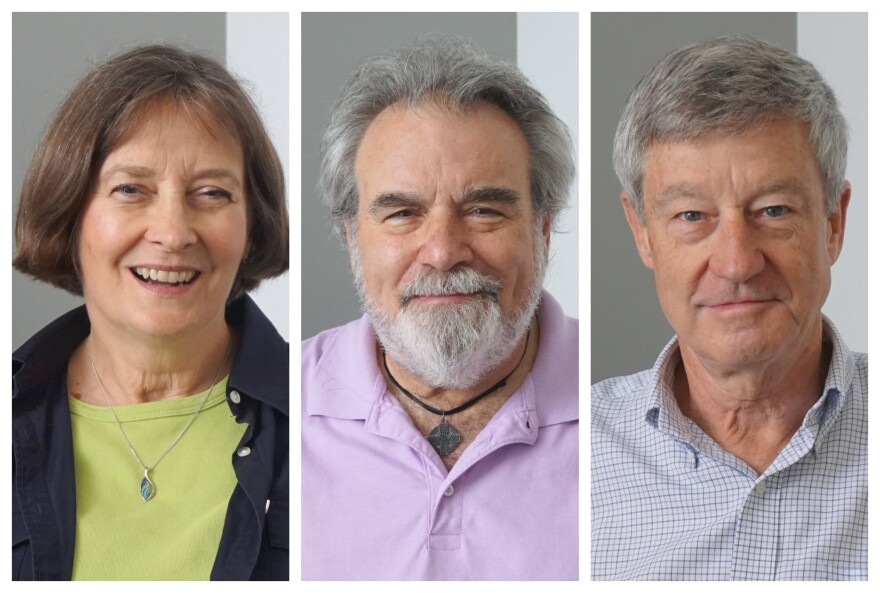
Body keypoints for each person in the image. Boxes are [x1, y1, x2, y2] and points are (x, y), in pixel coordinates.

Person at [301, 38, 578, 580]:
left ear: (543, 229)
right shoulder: (278, 411)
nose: (443, 251)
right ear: (352, 238)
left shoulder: (616, 411)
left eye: (483, 210)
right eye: (403, 213)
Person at [591, 36, 866, 580]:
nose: (737, 262)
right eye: (692, 216)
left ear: (833, 224)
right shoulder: (573, 455)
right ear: (642, 233)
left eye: (773, 209)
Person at [12, 45, 289, 580]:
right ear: (71, 213)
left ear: (251, 225)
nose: (172, 233)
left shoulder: (315, 424)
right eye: (130, 189)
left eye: (212, 193)